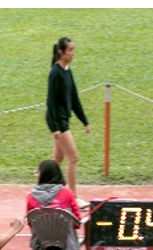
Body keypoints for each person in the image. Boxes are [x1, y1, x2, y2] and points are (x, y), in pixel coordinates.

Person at [47, 36, 91, 209]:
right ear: (61, 52)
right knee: (73, 157)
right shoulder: (55, 73)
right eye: (70, 50)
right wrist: (56, 127)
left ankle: (45, 191)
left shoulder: (67, 71)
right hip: (59, 122)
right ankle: (72, 198)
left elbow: (74, 97)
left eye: (73, 50)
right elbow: (50, 102)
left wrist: (84, 121)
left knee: (57, 159)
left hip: (64, 119)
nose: (73, 53)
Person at [26, 159, 83, 250]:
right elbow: (77, 220)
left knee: (55, 232)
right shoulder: (67, 193)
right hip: (66, 241)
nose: (35, 174)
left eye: (37, 171)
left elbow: (30, 222)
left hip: (41, 240)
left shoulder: (30, 197)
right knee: (64, 233)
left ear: (42, 175)